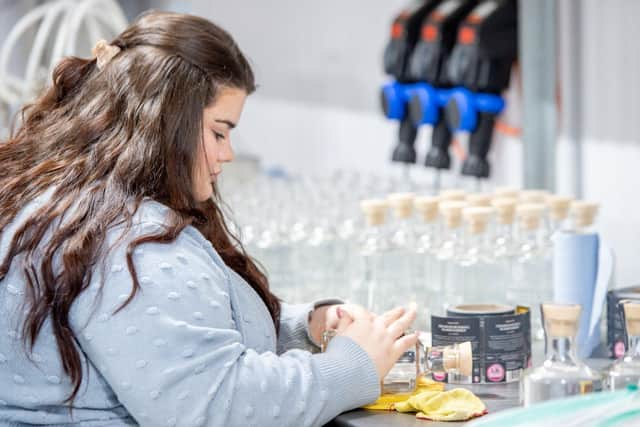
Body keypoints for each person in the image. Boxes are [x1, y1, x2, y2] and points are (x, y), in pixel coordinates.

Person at [0, 11, 417, 427]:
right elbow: (214, 406)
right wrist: (352, 365)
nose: (228, 154)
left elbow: (177, 341)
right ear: (164, 122)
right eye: (219, 132)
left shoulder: (70, 205)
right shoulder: (133, 244)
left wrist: (305, 325)